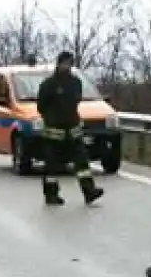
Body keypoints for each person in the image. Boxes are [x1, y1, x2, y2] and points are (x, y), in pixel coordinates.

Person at [34, 51, 103, 207]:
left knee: (82, 163)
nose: (67, 66)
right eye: (64, 63)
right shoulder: (48, 84)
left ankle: (89, 192)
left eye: (69, 63)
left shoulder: (75, 83)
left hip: (73, 131)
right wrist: (53, 118)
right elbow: (41, 106)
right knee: (51, 167)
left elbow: (76, 102)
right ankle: (51, 194)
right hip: (54, 134)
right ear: (58, 64)